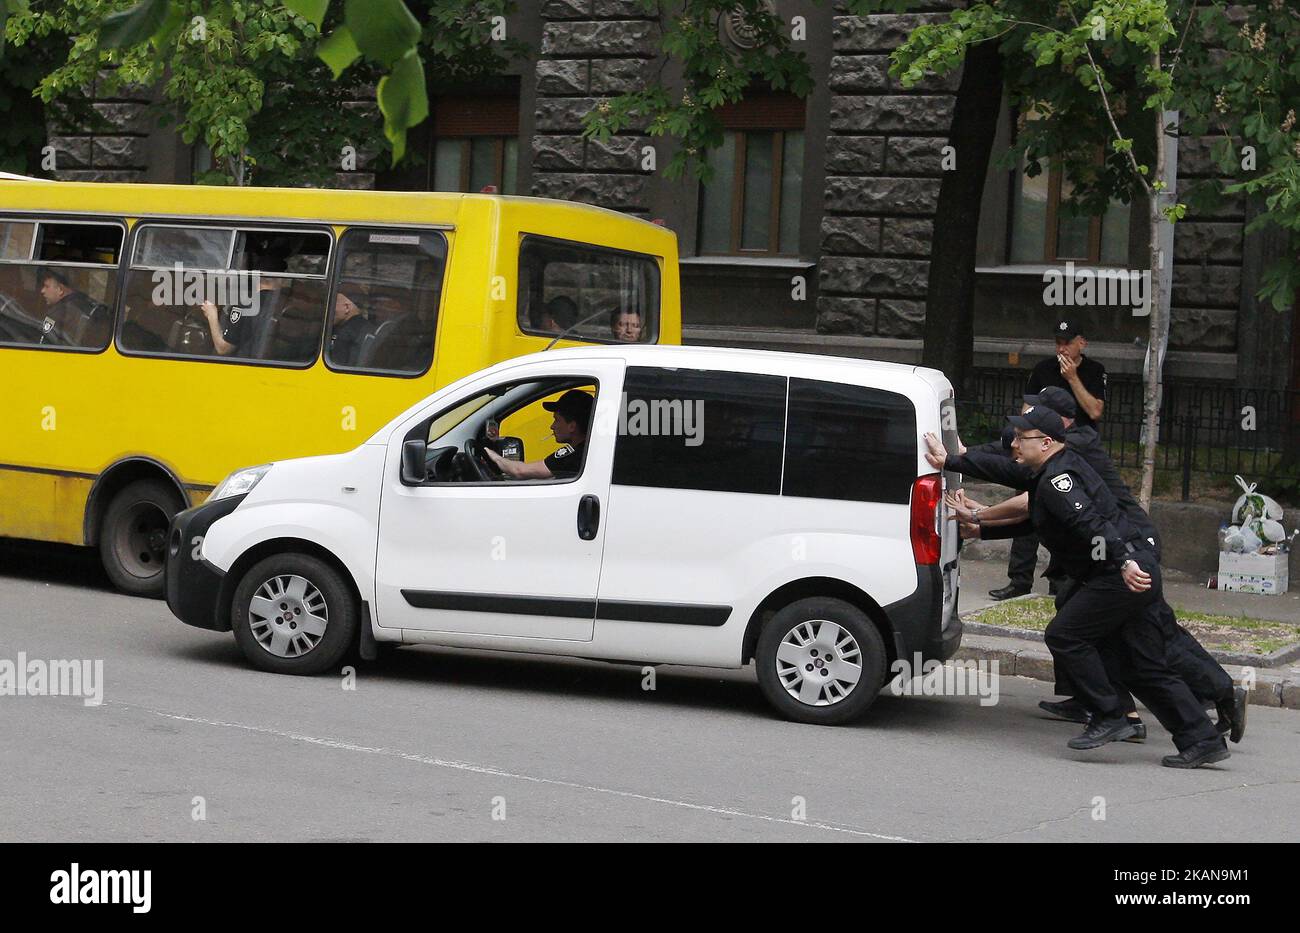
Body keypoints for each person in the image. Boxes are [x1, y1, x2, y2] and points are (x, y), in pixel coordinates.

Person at [930, 388, 1247, 743]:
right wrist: (979, 516)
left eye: (1021, 438)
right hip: (1119, 564)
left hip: (1125, 566)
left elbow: (1089, 523)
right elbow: (1038, 511)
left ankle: (1113, 713)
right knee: (1139, 658)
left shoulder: (1058, 475)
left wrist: (1125, 562)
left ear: (1048, 440)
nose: (1014, 445)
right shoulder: (1049, 469)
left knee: (1075, 636)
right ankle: (1197, 737)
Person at [991, 317, 1108, 601]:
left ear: (1082, 342)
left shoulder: (1094, 371)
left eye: (1067, 342)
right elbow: (1027, 411)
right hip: (1041, 450)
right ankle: (1019, 580)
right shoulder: (1044, 370)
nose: (1062, 348)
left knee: (1067, 515)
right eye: (1057, 342)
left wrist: (1072, 379)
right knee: (1028, 509)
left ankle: (1062, 580)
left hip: (1076, 454)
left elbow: (1094, 411)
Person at [485, 389, 593, 480]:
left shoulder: (574, 456)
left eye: (556, 420)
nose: (552, 426)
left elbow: (519, 471)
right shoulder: (589, 451)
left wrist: (492, 456)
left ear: (572, 426)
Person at [38, 267, 101, 346]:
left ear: (60, 290)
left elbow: (43, 347)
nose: (42, 291)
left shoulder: (56, 314)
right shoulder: (88, 305)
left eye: (47, 286)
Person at [327, 289, 374, 367]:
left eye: (332, 305)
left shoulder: (346, 333)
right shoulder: (367, 327)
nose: (328, 310)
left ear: (347, 307)